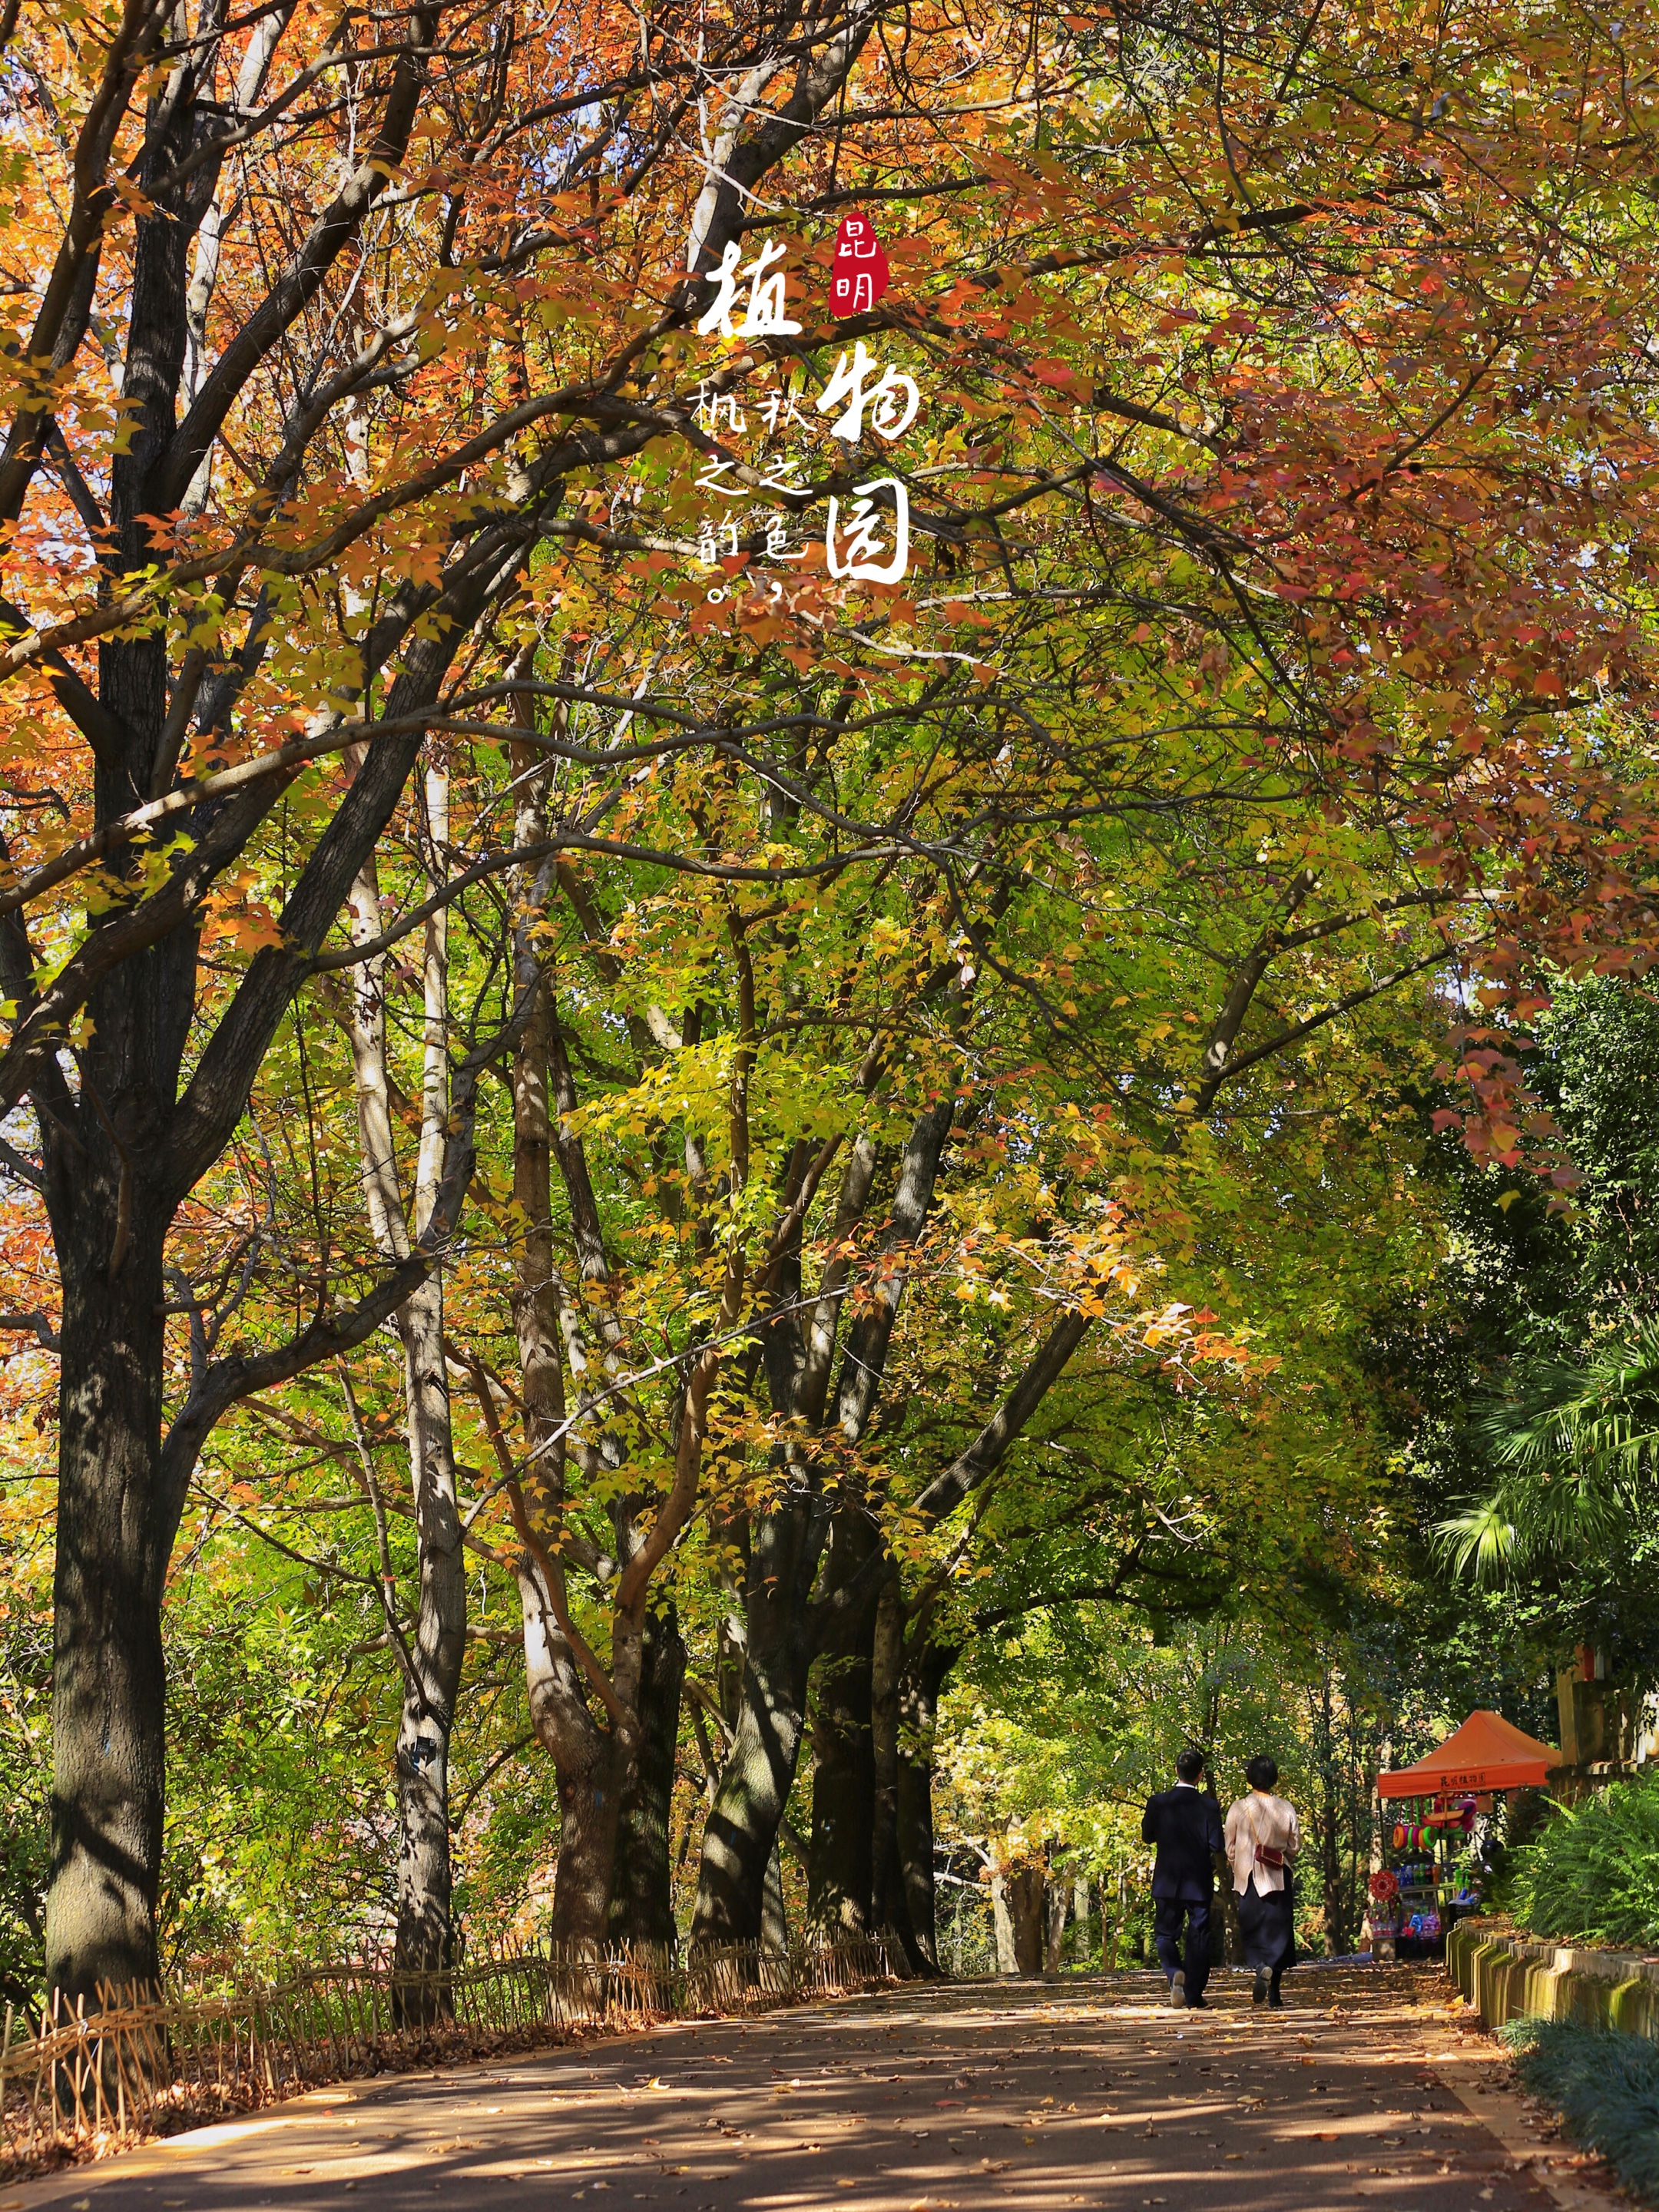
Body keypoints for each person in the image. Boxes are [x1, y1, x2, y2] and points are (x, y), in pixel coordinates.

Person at [1141, 1747, 1225, 2008]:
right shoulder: (1209, 1806)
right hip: (1198, 1882)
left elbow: (1147, 1836)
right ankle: (1195, 1995)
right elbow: (1216, 1845)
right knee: (1199, 1937)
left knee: (1165, 1935)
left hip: (1167, 1880)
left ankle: (1174, 1971)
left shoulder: (1158, 1803)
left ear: (1176, 1770)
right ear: (1200, 1775)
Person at [1225, 1753, 1301, 2007]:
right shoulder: (1286, 1807)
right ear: (1274, 1778)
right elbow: (1294, 1845)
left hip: (1248, 1879)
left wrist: (1240, 1859)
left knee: (1253, 1931)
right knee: (1279, 1935)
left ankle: (1260, 1968)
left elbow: (1230, 1847)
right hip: (1278, 1876)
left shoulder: (1238, 1807)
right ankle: (1275, 1993)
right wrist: (1279, 1854)